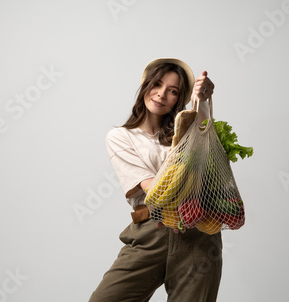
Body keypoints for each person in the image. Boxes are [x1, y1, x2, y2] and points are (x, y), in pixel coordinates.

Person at [89, 58, 222, 302]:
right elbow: (154, 189)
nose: (161, 94)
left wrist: (201, 102)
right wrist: (187, 175)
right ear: (146, 86)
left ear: (179, 99)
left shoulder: (185, 133)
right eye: (157, 85)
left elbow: (204, 140)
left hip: (198, 233)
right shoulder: (121, 137)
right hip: (152, 231)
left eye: (173, 91)